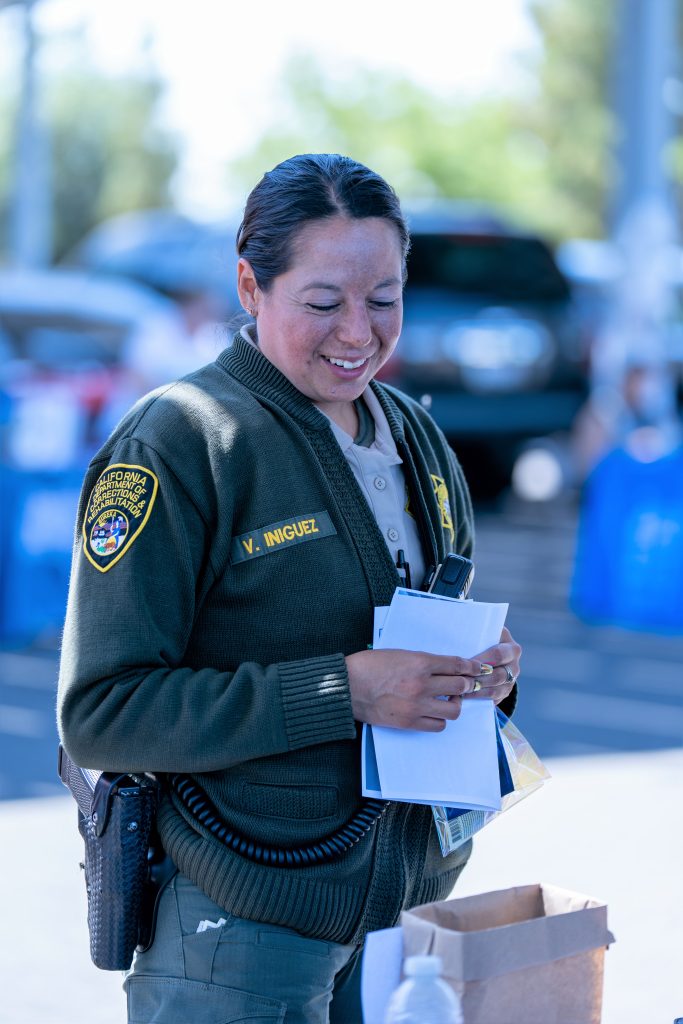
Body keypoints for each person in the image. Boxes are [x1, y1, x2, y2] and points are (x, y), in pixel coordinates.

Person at [58, 153, 521, 1024]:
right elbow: (101, 713)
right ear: (249, 284)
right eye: (322, 303)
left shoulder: (417, 437)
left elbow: (431, 627)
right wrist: (341, 690)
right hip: (237, 938)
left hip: (401, 930)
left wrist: (481, 677)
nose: (358, 333)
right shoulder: (180, 442)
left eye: (383, 299)